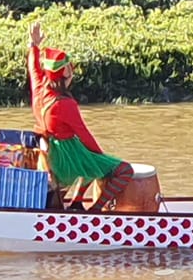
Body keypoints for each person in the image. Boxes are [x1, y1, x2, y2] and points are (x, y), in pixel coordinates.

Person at [26, 20, 136, 206]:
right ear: (65, 76)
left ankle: (77, 202)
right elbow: (84, 135)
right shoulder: (65, 104)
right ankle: (95, 209)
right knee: (124, 170)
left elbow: (33, 68)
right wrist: (102, 160)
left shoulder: (39, 89)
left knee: (88, 164)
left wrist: (33, 46)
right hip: (64, 157)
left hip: (49, 153)